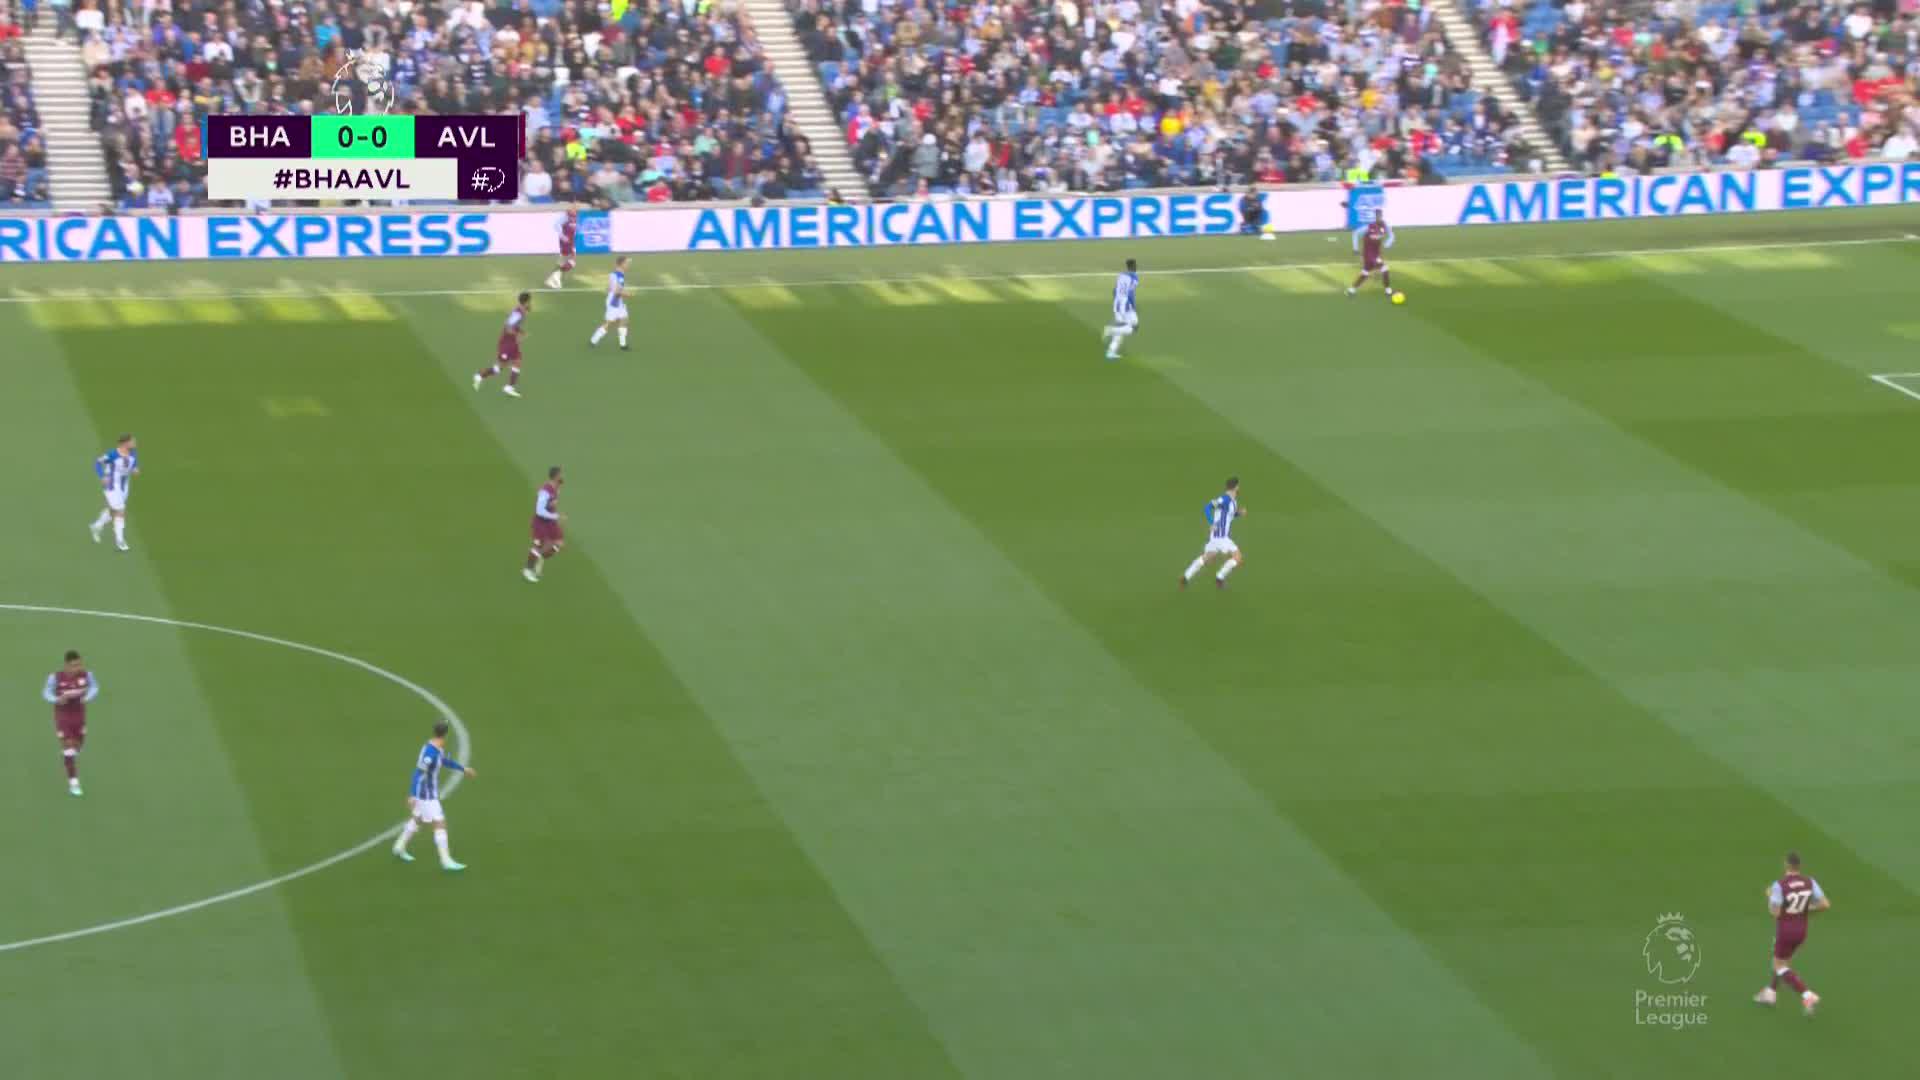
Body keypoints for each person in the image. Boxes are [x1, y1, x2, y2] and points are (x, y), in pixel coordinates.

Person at [393, 721, 475, 871]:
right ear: (446, 734)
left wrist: (463, 769)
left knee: (417, 819)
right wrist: (412, 795)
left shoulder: (436, 748)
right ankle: (446, 860)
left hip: (426, 793)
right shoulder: (430, 754)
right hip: (426, 795)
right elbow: (418, 773)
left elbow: (444, 761)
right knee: (440, 824)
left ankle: (399, 846)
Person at [1754, 851, 1829, 1014]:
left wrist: (1769, 896)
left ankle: (1807, 995)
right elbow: (1825, 904)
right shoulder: (1810, 882)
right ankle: (1770, 993)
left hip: (1786, 931)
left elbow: (1775, 912)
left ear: (1786, 865)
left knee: (1779, 965)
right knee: (1782, 961)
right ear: (1799, 866)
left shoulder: (1779, 885)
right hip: (1801, 931)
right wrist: (1805, 909)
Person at [43, 650, 99, 797]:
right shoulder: (55, 678)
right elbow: (46, 692)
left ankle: (71, 752)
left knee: (78, 746)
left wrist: (87, 697)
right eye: (74, 665)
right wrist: (56, 699)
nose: (78, 667)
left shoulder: (87, 675)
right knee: (69, 747)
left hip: (79, 716)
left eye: (79, 664)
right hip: (63, 717)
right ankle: (73, 783)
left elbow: (94, 687)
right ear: (67, 665)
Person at [1181, 477, 1246, 589]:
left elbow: (1228, 515)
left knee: (1207, 557)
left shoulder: (1233, 501)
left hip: (1217, 536)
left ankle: (1185, 577)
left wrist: (1239, 514)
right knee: (1238, 557)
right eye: (1238, 486)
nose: (1239, 488)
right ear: (1235, 487)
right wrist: (1211, 523)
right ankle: (1219, 578)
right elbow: (1207, 507)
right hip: (1221, 536)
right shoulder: (1224, 499)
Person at [474, 291, 532, 398]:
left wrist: (521, 332)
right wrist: (519, 335)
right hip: (506, 344)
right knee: (498, 369)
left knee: (517, 362)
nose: (530, 303)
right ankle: (479, 376)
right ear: (526, 302)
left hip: (513, 343)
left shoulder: (522, 311)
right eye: (529, 301)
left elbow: (514, 326)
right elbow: (508, 328)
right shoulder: (518, 313)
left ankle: (509, 387)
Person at [89, 433, 138, 552]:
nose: (134, 443)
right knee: (120, 511)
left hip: (124, 486)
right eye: (132, 441)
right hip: (111, 485)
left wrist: (135, 469)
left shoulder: (133, 453)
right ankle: (120, 541)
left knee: (113, 510)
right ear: (125, 443)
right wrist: (102, 476)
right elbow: (97, 463)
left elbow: (133, 465)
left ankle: (96, 526)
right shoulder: (113, 454)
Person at [525, 466, 565, 583]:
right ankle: (528, 570)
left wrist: (552, 509)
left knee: (559, 544)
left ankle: (541, 558)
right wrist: (556, 516)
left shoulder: (557, 487)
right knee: (538, 546)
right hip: (541, 522)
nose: (562, 476)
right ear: (556, 476)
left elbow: (551, 503)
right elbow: (539, 511)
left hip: (550, 522)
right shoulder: (545, 491)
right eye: (560, 474)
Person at [1347, 212, 1395, 299]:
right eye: (1377, 217)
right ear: (1375, 217)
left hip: (1376, 253)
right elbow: (1356, 233)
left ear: (1382, 216)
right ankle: (1388, 291)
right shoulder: (1369, 227)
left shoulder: (1385, 226)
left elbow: (1391, 235)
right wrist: (1355, 248)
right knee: (1384, 269)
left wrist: (1388, 243)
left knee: (1365, 272)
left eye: (1380, 216)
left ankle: (1351, 290)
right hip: (1368, 253)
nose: (1379, 218)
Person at [589, 256, 630, 351]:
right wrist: (627, 294)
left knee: (624, 319)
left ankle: (623, 344)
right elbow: (617, 291)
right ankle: (593, 340)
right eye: (626, 263)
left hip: (616, 300)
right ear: (622, 264)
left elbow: (609, 288)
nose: (628, 265)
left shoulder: (614, 274)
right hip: (614, 302)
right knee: (609, 323)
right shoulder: (619, 276)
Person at [1102, 258, 1139, 360]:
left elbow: (1114, 290)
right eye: (1135, 265)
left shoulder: (1121, 275)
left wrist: (1117, 300)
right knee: (1134, 327)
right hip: (1126, 306)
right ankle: (1110, 330)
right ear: (1133, 266)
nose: (1136, 266)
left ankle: (1111, 352)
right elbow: (1130, 293)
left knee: (1120, 330)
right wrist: (1133, 305)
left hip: (1117, 304)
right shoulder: (1134, 277)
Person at [545, 209, 577, 289]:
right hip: (566, 243)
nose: (573, 217)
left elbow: (573, 232)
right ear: (568, 216)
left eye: (574, 215)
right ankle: (555, 277)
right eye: (572, 216)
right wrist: (562, 236)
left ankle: (552, 278)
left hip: (571, 243)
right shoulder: (564, 221)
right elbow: (556, 225)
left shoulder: (574, 221)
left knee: (563, 262)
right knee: (570, 262)